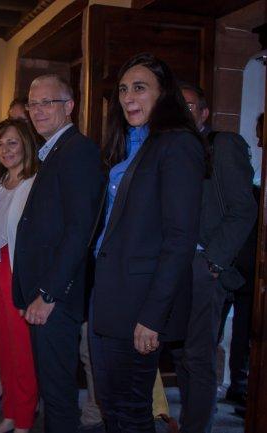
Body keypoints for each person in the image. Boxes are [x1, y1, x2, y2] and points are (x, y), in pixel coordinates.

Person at [89, 53, 206, 433]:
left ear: (164, 94)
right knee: (111, 405)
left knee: (132, 410)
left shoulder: (178, 145)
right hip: (108, 294)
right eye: (123, 89)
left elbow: (179, 239)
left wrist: (152, 316)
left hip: (140, 303)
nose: (127, 97)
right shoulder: (130, 146)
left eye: (139, 88)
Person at [13, 74, 104, 433]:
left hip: (57, 296)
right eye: (32, 104)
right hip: (45, 291)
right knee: (53, 389)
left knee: (59, 394)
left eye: (47, 103)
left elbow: (79, 231)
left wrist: (48, 293)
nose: (37, 111)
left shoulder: (78, 151)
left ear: (69, 107)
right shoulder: (53, 151)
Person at [175, 83, 257, 432]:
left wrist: (212, 261)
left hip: (204, 265)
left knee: (198, 356)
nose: (183, 112)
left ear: (205, 113)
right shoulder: (173, 150)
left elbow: (244, 208)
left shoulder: (223, 145)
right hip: (173, 267)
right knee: (180, 354)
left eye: (190, 106)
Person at [0, 119, 39, 433]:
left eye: (12, 143)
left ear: (26, 145)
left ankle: (25, 420)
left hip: (19, 274)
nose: (5, 150)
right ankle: (10, 414)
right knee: (4, 347)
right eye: (0, 143)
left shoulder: (35, 183)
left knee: (23, 351)